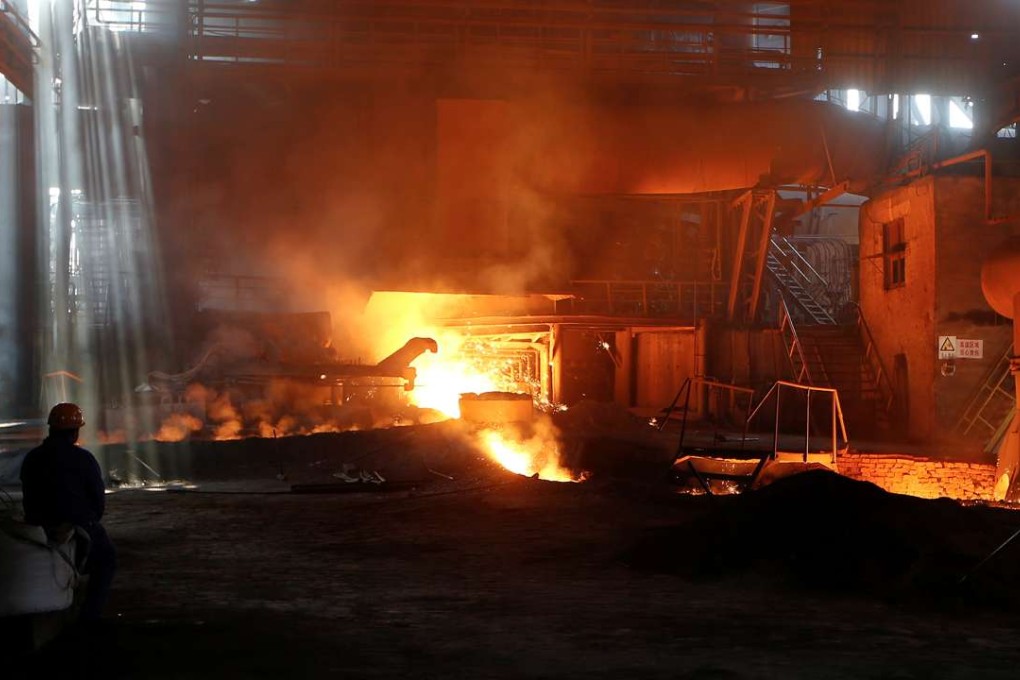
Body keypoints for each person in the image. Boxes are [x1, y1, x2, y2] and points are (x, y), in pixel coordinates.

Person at [20, 403, 116, 622]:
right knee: (106, 560)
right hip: (79, 524)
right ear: (75, 432)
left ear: (51, 429)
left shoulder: (32, 459)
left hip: (39, 526)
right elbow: (98, 502)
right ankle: (89, 618)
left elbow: (28, 499)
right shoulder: (83, 459)